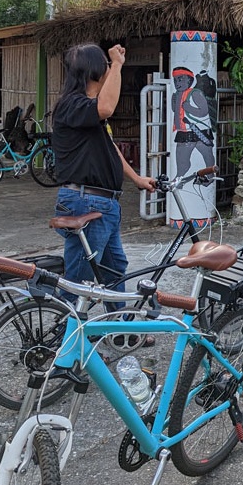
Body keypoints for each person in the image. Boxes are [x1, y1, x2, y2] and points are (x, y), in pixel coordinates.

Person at [51, 43, 159, 318]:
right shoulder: (72, 106)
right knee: (80, 278)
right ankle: (66, 341)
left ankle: (120, 329)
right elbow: (108, 106)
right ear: (96, 70)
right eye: (106, 65)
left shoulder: (87, 110)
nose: (110, 69)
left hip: (104, 202)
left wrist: (136, 178)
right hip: (85, 201)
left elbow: (109, 147)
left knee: (113, 269)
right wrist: (119, 65)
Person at [171, 66, 216, 176]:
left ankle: (209, 176)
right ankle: (179, 178)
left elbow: (203, 111)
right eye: (175, 80)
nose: (177, 83)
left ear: (189, 80)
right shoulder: (176, 95)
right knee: (181, 160)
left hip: (200, 131)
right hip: (183, 132)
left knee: (207, 157)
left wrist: (189, 108)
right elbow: (175, 110)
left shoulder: (195, 93)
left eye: (180, 79)